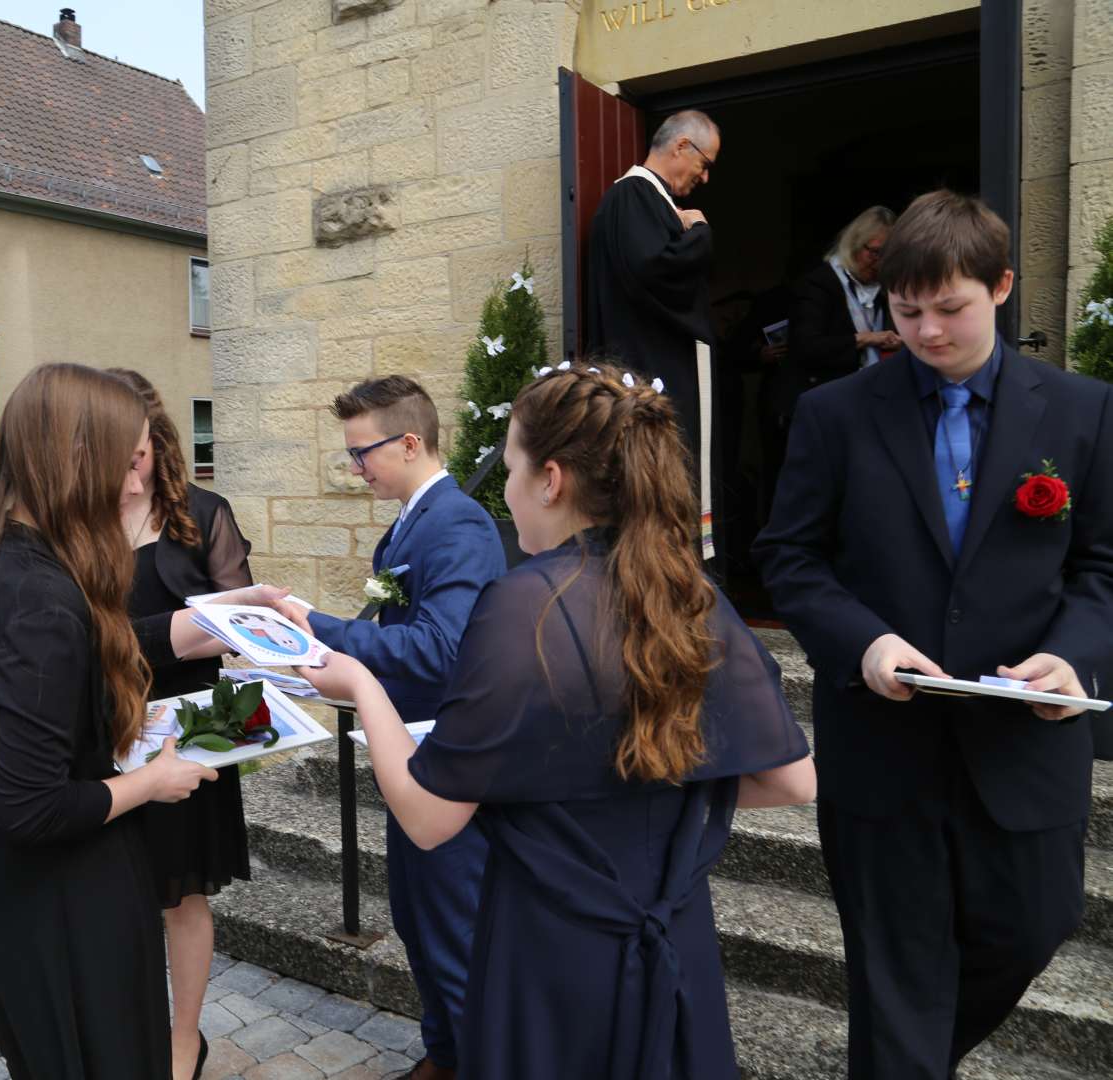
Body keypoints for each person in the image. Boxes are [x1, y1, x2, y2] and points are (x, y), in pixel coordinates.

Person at [303, 364, 815, 1079]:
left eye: (510, 466)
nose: (506, 494)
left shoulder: (523, 605)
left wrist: (360, 682)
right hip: (673, 928)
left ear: (550, 480)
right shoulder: (689, 591)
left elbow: (428, 819)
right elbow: (792, 779)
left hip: (554, 935)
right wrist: (642, 786)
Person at [754, 190, 1113, 1078]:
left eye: (948, 308)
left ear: (1000, 287)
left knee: (1035, 926)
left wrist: (1073, 655)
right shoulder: (836, 413)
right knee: (897, 971)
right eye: (905, 312)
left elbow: (1104, 566)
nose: (926, 332)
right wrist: (864, 643)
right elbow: (789, 558)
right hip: (884, 746)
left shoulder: (1082, 411)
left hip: (1025, 746)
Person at [0, 363, 280, 1080]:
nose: (135, 486)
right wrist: (153, 782)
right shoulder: (39, 596)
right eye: (126, 463)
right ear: (76, 462)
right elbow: (32, 805)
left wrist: (209, 621)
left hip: (18, 886)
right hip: (58, 896)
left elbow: (89, 648)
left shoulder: (3, 557)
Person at [277, 376, 505, 1080]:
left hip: (449, 759)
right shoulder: (411, 519)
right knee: (415, 918)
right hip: (408, 751)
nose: (355, 468)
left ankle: (474, 1062)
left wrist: (319, 630)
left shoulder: (458, 523)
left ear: (410, 443)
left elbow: (441, 647)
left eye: (362, 451)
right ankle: (443, 1053)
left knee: (454, 932)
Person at [111, 368, 256, 1080]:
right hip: (106, 726)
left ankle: (183, 1040)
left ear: (155, 438)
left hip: (192, 728)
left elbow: (242, 630)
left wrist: (234, 635)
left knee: (182, 894)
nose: (127, 470)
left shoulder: (203, 512)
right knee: (115, 892)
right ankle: (127, 1030)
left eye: (135, 453)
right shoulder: (80, 519)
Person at [585, 109, 722, 560]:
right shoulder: (635, 196)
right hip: (653, 369)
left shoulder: (647, 200)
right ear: (681, 145)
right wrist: (699, 233)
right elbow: (656, 271)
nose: (703, 177)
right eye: (705, 163)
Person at [786, 205, 902, 401]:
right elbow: (806, 347)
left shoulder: (886, 289)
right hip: (825, 399)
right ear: (855, 244)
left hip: (871, 396)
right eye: (875, 252)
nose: (880, 263)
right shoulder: (819, 283)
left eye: (887, 256)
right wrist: (867, 338)